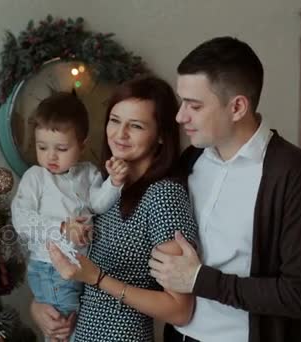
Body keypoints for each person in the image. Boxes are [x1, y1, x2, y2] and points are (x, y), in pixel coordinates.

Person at [148, 36, 301, 342]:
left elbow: (300, 295)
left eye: (194, 105)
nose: (180, 116)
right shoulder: (190, 160)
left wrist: (200, 279)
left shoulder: (294, 174)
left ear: (237, 107)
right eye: (182, 102)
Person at [32, 77, 199, 342]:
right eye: (115, 120)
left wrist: (98, 279)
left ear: (160, 136)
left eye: (136, 126)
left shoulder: (163, 196)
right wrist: (40, 307)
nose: (120, 134)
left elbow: (180, 309)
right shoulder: (102, 185)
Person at [11, 92, 129, 339]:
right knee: (64, 325)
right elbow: (22, 219)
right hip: (51, 267)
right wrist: (62, 227)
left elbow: (98, 204)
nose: (50, 156)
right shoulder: (37, 177)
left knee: (71, 323)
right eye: (42, 147)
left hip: (79, 266)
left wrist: (114, 183)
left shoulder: (88, 173)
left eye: (61, 148)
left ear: (82, 145)